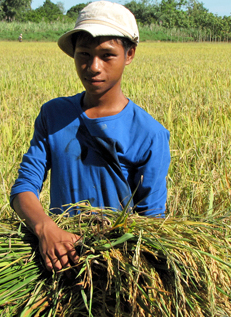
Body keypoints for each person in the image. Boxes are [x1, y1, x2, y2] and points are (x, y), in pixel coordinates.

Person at [10, 1, 171, 273]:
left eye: (107, 55)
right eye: (84, 54)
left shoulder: (149, 133)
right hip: (59, 254)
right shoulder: (54, 115)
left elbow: (151, 221)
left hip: (117, 265)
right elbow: (24, 187)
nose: (93, 66)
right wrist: (46, 229)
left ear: (129, 54)